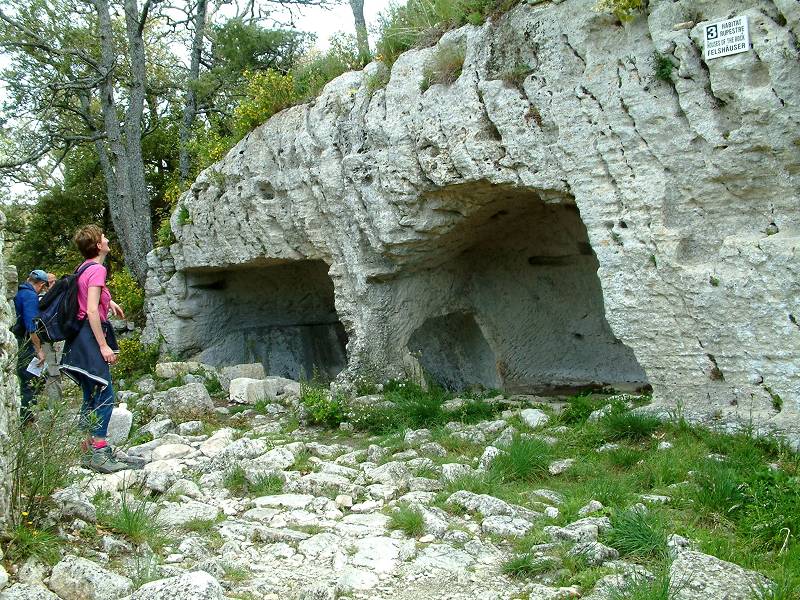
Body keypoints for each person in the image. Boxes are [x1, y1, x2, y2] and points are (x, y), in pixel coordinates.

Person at [60, 225, 129, 473]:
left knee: (91, 392)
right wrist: (104, 346)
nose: (107, 239)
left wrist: (110, 302)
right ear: (98, 245)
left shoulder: (83, 268)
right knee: (105, 392)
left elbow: (88, 297)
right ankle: (99, 450)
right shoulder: (98, 268)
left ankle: (87, 449)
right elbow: (90, 309)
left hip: (76, 340)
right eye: (103, 237)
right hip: (90, 339)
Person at [12, 269, 49, 423]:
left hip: (17, 339)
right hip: (25, 342)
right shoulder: (30, 296)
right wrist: (39, 350)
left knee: (29, 379)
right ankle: (27, 420)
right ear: (40, 284)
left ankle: (26, 416)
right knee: (31, 381)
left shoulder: (19, 292)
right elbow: (31, 325)